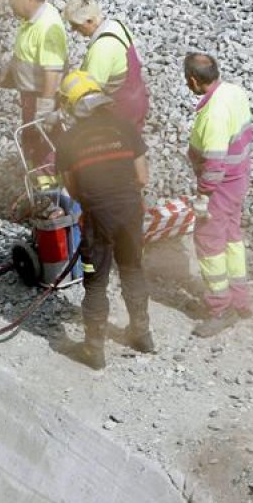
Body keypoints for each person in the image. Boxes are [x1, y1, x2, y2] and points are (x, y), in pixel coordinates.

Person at [54, 71, 154, 370]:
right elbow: (142, 177)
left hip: (98, 217)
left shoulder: (69, 140)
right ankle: (142, 334)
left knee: (96, 281)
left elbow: (71, 189)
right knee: (133, 269)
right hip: (130, 213)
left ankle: (94, 350)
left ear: (73, 106)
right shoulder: (125, 128)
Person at [183, 53, 253, 338]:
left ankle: (220, 308)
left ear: (193, 80)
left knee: (208, 241)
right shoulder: (234, 91)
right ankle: (241, 299)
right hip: (238, 180)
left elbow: (214, 163)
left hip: (221, 186)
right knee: (232, 236)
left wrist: (202, 196)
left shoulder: (213, 114)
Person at [0, 0, 68, 165]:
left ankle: (48, 185)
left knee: (43, 142)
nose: (10, 4)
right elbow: (25, 51)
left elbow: (52, 71)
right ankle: (37, 178)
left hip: (41, 96)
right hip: (30, 94)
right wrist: (8, 69)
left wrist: (45, 109)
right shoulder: (30, 19)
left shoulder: (47, 27)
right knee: (30, 138)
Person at [62, 0, 150, 132]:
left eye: (76, 25)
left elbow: (90, 97)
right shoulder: (116, 25)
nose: (74, 30)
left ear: (90, 21)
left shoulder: (101, 49)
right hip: (138, 99)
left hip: (121, 109)